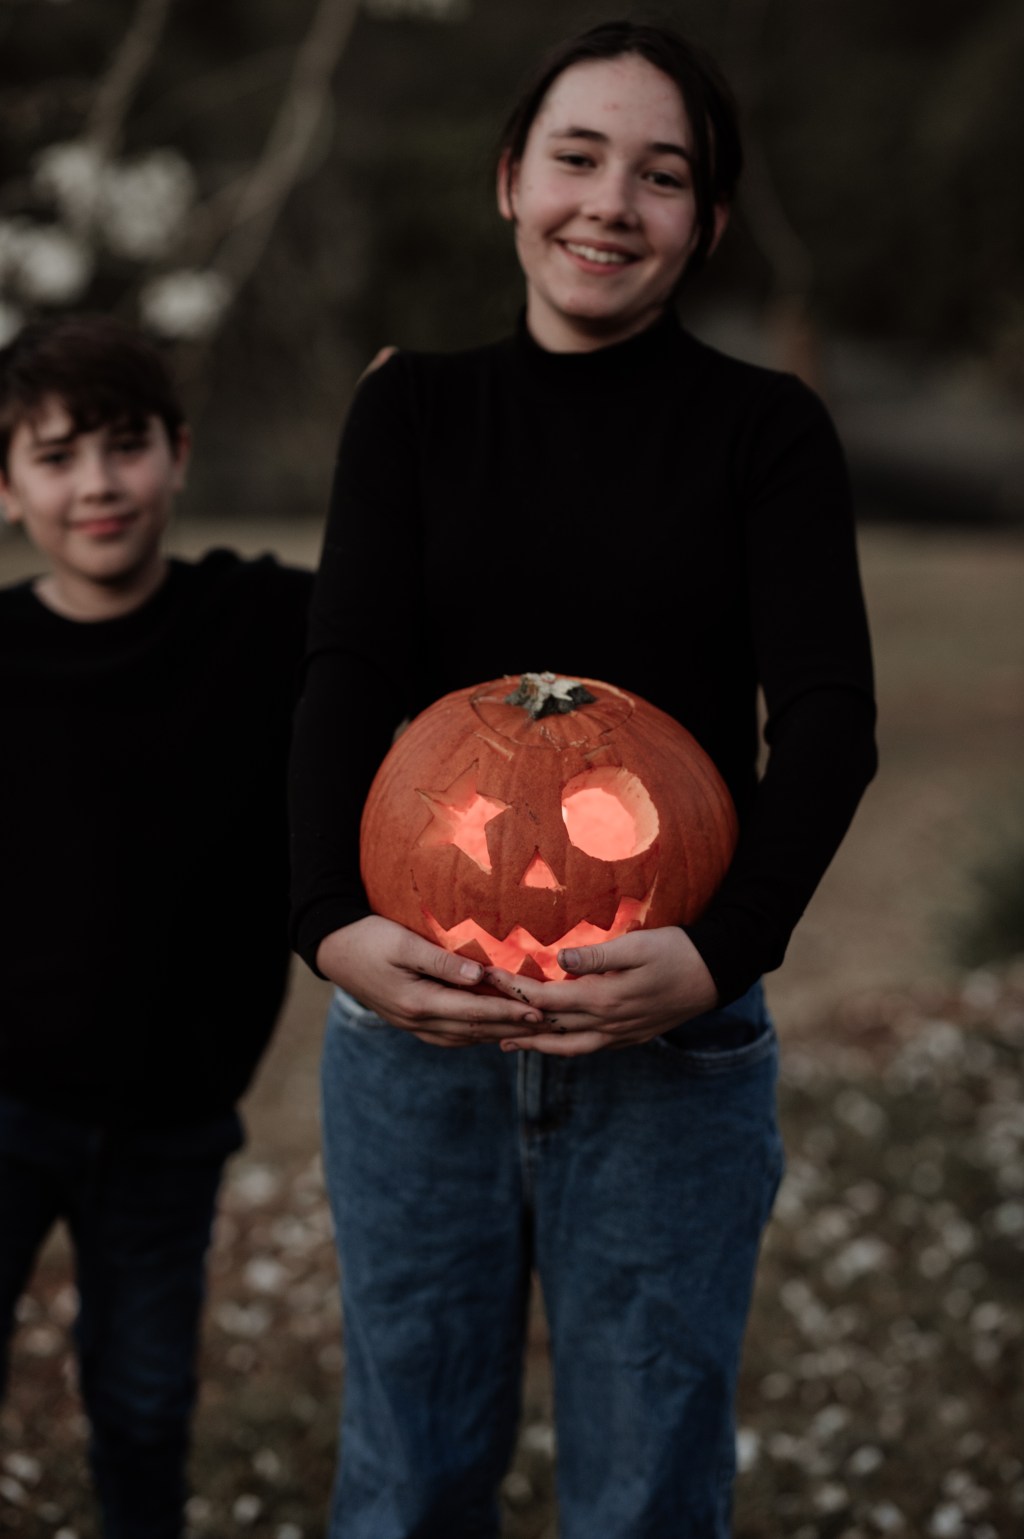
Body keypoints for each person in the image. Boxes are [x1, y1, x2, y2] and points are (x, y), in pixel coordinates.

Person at [289, 20, 877, 1538]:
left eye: (661, 173)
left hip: (671, 1041)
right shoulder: (411, 410)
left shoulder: (766, 432)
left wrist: (716, 951)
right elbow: (342, 674)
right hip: (417, 1027)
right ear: (508, 180)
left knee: (648, 1488)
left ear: (709, 222)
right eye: (577, 155)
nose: (611, 200)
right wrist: (324, 921)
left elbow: (827, 721)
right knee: (410, 1476)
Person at [0, 313, 311, 1539]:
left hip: (172, 1117)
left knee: (141, 1399)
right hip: (4, 1103)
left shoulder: (262, 621)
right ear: (9, 484)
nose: (96, 485)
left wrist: (413, 430)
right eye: (57, 455)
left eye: (124, 446)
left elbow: (419, 587)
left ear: (179, 454)